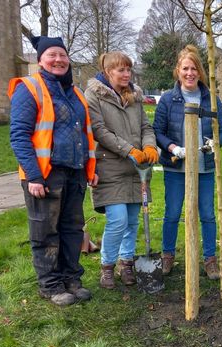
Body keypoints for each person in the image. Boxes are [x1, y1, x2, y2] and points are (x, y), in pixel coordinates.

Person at [9, 36, 98, 306]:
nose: (58, 60)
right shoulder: (30, 88)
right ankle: (50, 285)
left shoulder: (76, 93)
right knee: (45, 231)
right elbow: (19, 135)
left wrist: (90, 169)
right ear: (40, 61)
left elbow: (85, 134)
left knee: (72, 229)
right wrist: (34, 175)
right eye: (52, 55)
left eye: (62, 55)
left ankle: (71, 278)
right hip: (46, 175)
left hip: (75, 172)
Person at [85, 51, 159, 289]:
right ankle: (107, 267)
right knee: (117, 220)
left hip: (138, 168)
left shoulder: (134, 97)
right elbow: (98, 130)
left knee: (132, 220)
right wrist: (128, 150)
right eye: (121, 70)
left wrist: (149, 145)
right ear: (108, 72)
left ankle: (126, 262)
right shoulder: (94, 95)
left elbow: (146, 126)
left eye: (129, 69)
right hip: (110, 165)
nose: (126, 74)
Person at [153, 45, 222, 279]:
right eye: (185, 68)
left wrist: (214, 143)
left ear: (200, 72)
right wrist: (173, 147)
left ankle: (210, 259)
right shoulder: (167, 99)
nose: (189, 73)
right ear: (178, 70)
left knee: (207, 213)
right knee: (173, 212)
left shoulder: (211, 100)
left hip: (204, 167)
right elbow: (158, 131)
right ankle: (167, 256)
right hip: (176, 166)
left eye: (194, 68)